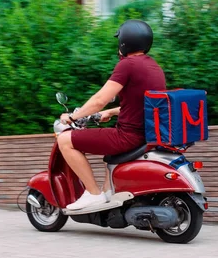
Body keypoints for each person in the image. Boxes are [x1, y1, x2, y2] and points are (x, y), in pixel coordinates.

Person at [58, 19, 166, 210]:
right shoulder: (154, 66)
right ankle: (108, 192)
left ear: (124, 42)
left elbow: (100, 99)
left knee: (65, 140)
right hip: (145, 135)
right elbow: (142, 104)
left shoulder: (127, 65)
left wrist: (73, 117)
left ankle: (92, 193)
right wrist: (111, 112)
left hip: (128, 137)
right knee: (105, 138)